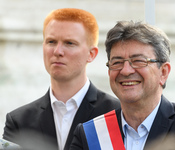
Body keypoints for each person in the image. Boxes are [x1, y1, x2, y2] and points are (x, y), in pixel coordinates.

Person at [69, 21, 175, 150]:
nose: (125, 71)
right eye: (117, 62)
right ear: (109, 72)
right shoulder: (89, 135)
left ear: (163, 72)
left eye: (138, 61)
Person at [2, 8, 120, 150]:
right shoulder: (19, 121)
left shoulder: (117, 113)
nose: (57, 51)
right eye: (51, 41)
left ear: (91, 54)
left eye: (69, 43)